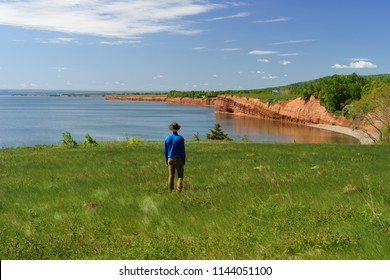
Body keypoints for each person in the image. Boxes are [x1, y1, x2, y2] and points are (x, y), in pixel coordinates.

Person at [164, 121, 186, 192]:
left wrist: (166, 160)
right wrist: (183, 160)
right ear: (178, 129)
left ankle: (170, 190)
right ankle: (179, 191)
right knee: (180, 176)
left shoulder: (167, 138)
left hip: (170, 158)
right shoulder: (180, 138)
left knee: (171, 175)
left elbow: (165, 151)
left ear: (171, 129)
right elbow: (182, 151)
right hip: (178, 159)